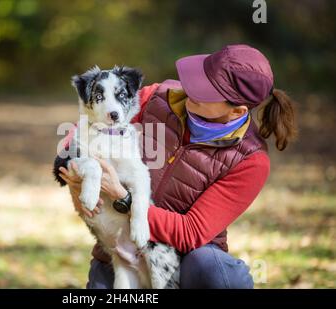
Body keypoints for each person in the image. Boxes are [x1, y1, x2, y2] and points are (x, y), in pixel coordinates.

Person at [59, 44, 297, 289]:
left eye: (207, 91)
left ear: (237, 110)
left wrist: (123, 197)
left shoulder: (250, 159)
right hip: (122, 246)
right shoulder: (158, 98)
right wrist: (78, 181)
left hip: (191, 264)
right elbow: (81, 133)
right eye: (201, 79)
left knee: (218, 274)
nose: (192, 90)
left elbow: (191, 232)